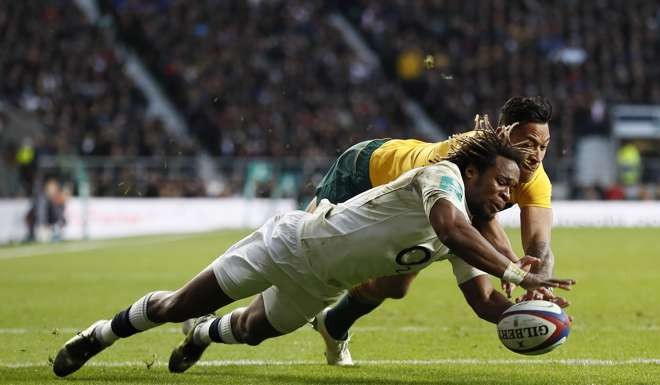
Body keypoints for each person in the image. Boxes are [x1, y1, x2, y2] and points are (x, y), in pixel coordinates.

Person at [52, 127, 574, 378]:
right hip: (287, 246)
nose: (508, 195)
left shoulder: (473, 234)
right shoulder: (440, 179)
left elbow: (484, 304)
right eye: (502, 184)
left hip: (319, 285)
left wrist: (536, 311)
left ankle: (204, 334)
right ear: (474, 172)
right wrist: (512, 267)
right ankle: (97, 336)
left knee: (253, 332)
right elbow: (448, 225)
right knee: (175, 306)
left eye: (513, 189)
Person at [309, 96, 558, 365]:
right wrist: (513, 267)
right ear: (503, 133)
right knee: (308, 252)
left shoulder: (536, 179)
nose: (536, 156)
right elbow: (474, 221)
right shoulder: (468, 152)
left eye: (543, 146)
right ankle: (267, 278)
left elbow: (538, 243)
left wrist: (541, 293)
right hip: (366, 171)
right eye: (528, 144)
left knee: (396, 286)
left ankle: (334, 324)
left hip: (421, 215)